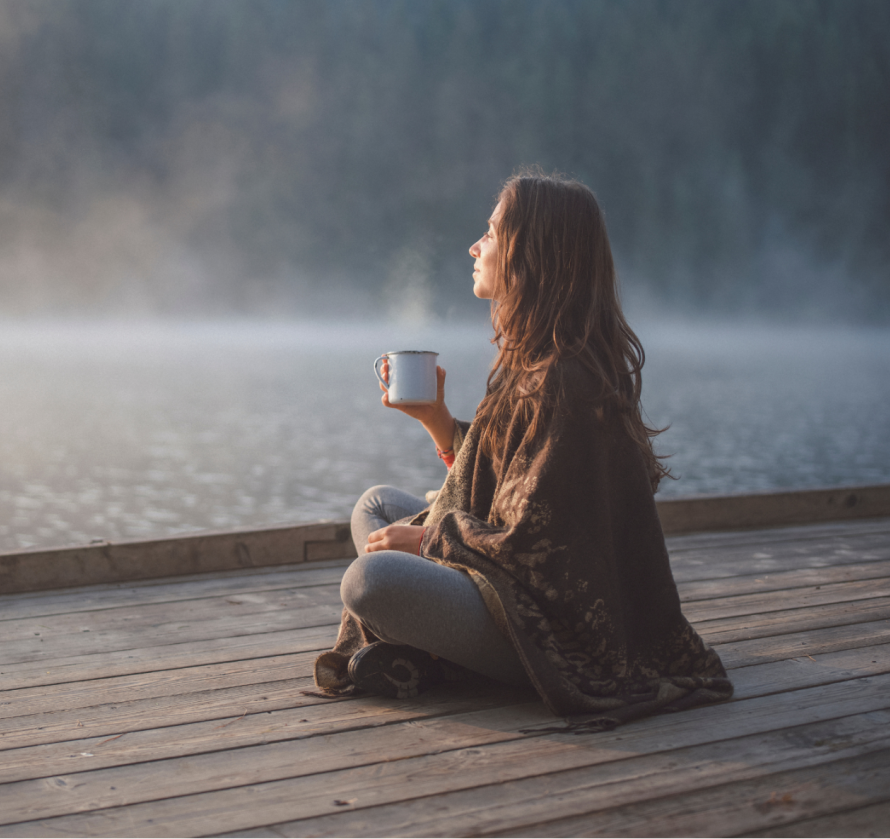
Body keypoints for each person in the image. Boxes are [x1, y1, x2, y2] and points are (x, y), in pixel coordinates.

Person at [313, 169, 732, 731]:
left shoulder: (566, 379)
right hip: (508, 584)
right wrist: (437, 420)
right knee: (377, 506)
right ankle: (427, 647)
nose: (475, 246)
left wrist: (431, 539)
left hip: (554, 631)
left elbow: (540, 547)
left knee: (370, 582)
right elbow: (506, 481)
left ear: (531, 252)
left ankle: (439, 655)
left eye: (490, 232)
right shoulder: (535, 361)